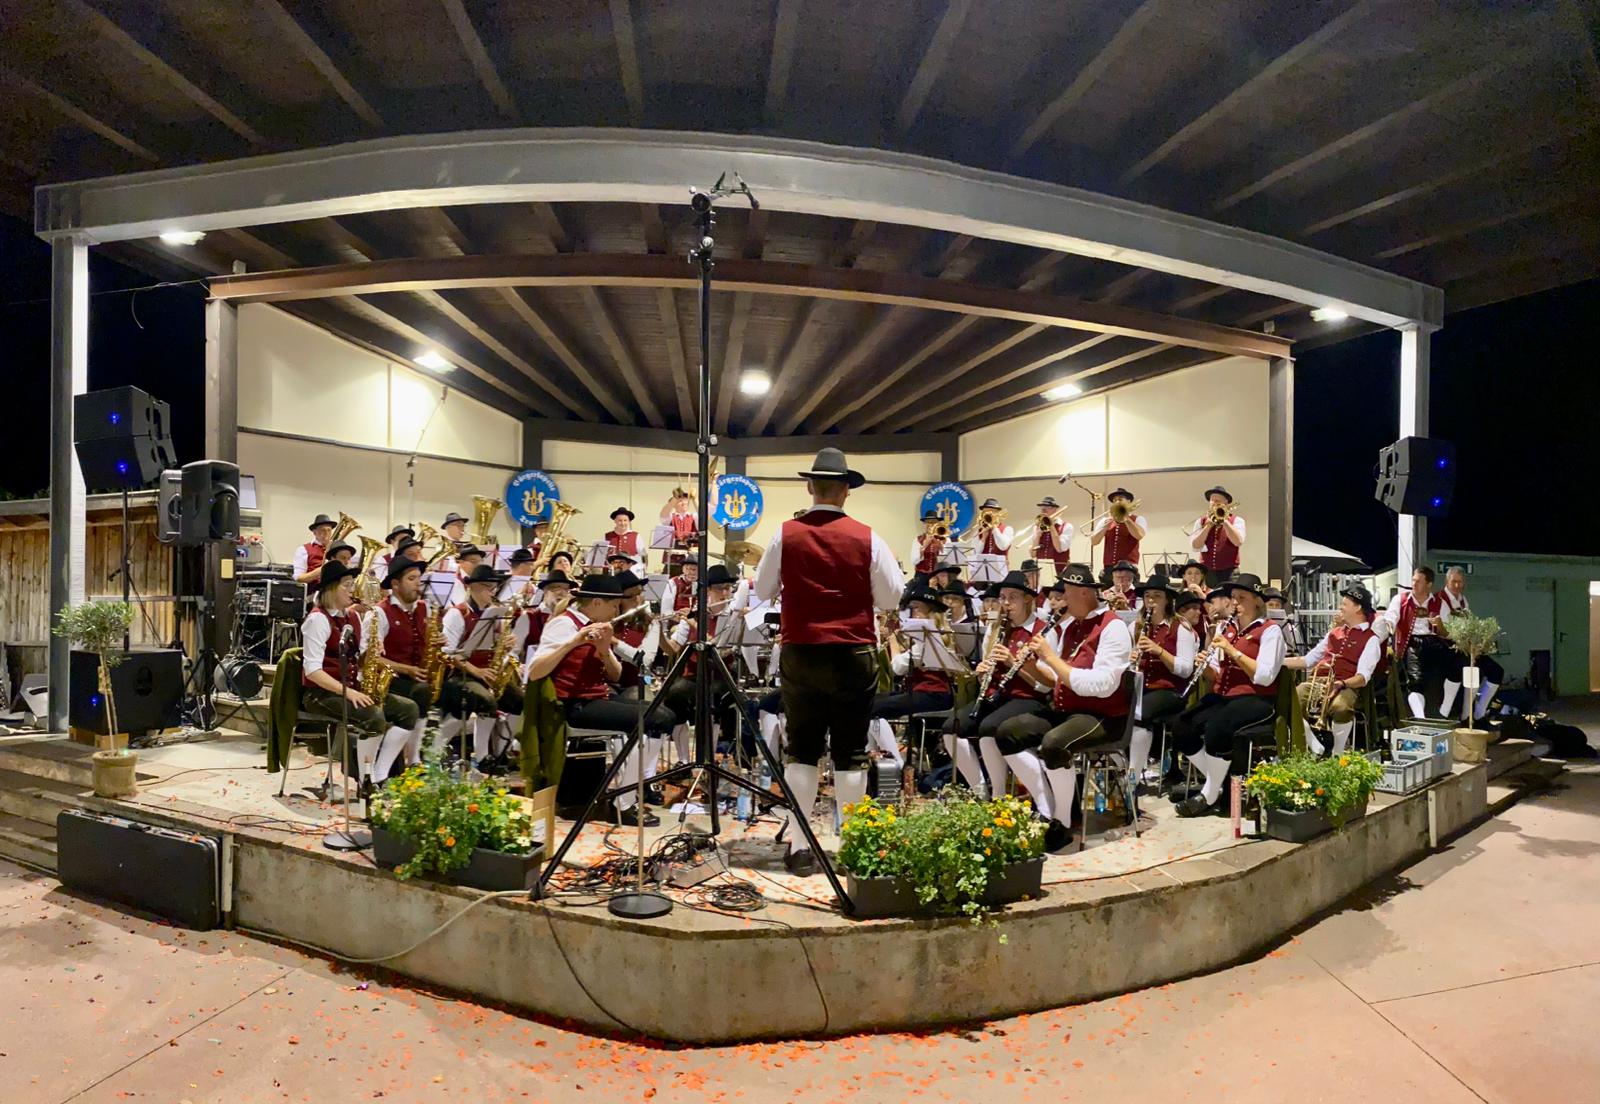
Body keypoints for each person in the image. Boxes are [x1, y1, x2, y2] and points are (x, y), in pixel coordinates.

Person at [753, 448, 904, 875]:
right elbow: (892, 597)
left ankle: (801, 847)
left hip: (802, 650)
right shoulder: (868, 536)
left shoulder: (785, 533)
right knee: (851, 752)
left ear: (809, 487)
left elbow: (763, 590)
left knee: (801, 750)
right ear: (845, 491)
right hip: (853, 650)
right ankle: (853, 847)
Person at [993, 563, 1132, 851]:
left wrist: (1051, 657)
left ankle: (1063, 821)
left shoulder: (1113, 627)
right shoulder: (1071, 626)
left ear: (1084, 593)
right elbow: (1053, 680)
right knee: (1008, 732)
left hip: (1103, 715)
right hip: (1067, 708)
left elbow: (1101, 685)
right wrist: (1030, 663)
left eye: (1066, 592)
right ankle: (1048, 807)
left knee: (1053, 745)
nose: (1063, 600)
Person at [527, 573, 680, 827]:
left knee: (662, 716)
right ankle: (624, 802)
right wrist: (573, 642)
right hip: (573, 705)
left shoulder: (599, 625)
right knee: (656, 719)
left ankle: (625, 793)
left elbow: (616, 674)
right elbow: (535, 671)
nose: (616, 611)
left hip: (598, 697)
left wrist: (604, 649)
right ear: (597, 603)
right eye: (613, 605)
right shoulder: (564, 624)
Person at [298, 560, 420, 799]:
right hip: (320, 694)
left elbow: (359, 660)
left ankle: (379, 773)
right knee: (373, 716)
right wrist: (349, 692)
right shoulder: (317, 620)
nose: (352, 589)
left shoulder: (352, 618)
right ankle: (366, 779)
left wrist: (372, 653)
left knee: (409, 710)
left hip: (350, 687)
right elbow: (312, 670)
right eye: (347, 584)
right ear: (331, 588)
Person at [1171, 574, 1285, 817]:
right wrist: (1204, 666)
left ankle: (1210, 794)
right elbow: (1215, 675)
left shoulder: (1269, 631)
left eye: (1241, 598)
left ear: (1257, 601)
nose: (1236, 603)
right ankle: (1219, 783)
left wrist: (1233, 651)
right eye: (1233, 598)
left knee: (1216, 728)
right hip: (1224, 695)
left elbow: (1264, 676)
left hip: (1256, 698)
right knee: (1181, 725)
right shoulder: (1227, 628)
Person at [942, 570, 1052, 802]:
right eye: (1002, 597)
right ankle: (980, 788)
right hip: (996, 695)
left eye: (1012, 597)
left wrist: (1014, 663)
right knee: (952, 727)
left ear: (1027, 599)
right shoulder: (996, 629)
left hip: (1028, 697)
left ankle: (1000, 795)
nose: (1006, 603)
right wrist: (982, 672)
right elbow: (987, 672)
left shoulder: (1042, 630)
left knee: (988, 728)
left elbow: (1045, 685)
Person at [440, 563, 524, 775]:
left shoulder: (494, 614)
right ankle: (478, 754)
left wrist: (505, 646)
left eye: (494, 587)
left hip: (487, 672)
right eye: (488, 587)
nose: (492, 592)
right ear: (473, 587)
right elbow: (448, 652)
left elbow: (495, 649)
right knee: (486, 700)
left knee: (519, 700)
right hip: (460, 674)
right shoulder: (457, 614)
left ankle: (496, 753)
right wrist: (477, 672)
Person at [1284, 584, 1381, 756]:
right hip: (1320, 681)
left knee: (1341, 707)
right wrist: (1278, 662)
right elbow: (1308, 660)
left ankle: (1337, 753)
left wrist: (1341, 683)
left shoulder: (1371, 639)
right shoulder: (1333, 633)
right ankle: (1314, 743)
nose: (1340, 607)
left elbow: (1362, 677)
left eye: (1344, 604)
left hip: (1346, 685)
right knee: (1290, 700)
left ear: (1358, 607)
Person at [869, 589, 958, 770]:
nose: (910, 613)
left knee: (873, 708)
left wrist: (893, 641)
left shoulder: (930, 639)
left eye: (915, 608)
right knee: (868, 702)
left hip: (935, 694)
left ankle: (896, 762)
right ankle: (872, 759)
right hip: (920, 691)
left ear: (929, 613)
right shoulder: (922, 637)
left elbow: (897, 668)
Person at [1128, 575, 1198, 783]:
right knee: (1116, 711)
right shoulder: (1136, 627)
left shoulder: (1180, 628)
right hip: (1141, 687)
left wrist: (1159, 651)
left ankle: (1133, 778)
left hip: (1170, 691)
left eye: (1156, 596)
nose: (1150, 601)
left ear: (1167, 600)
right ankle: (1129, 770)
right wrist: (1130, 659)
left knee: (1138, 714)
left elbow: (1185, 669)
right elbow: (1124, 663)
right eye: (1147, 596)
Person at [367, 558, 433, 779]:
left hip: (416, 677)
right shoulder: (379, 612)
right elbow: (370, 658)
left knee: (426, 690)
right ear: (395, 584)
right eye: (411, 579)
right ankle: (404, 762)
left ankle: (414, 758)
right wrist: (405, 669)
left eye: (419, 579)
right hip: (388, 680)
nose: (418, 584)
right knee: (420, 694)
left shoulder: (424, 608)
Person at [1378, 566, 1460, 719]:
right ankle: (1420, 718)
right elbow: (1390, 618)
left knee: (1456, 667)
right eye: (1413, 581)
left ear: (1429, 584)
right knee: (1416, 681)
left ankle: (1444, 712)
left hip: (1434, 641)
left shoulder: (1439, 603)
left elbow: (1449, 633)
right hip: (1411, 643)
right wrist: (1388, 625)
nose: (1414, 584)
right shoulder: (1400, 600)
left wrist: (1440, 626)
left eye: (1418, 582)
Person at [1439, 566, 1502, 722]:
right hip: (1448, 648)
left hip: (1466, 648)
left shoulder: (1463, 600)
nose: (1457, 585)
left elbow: (1469, 624)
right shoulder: (1440, 600)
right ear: (1447, 581)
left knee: (1496, 671)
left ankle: (1479, 712)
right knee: (1472, 671)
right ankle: (1462, 716)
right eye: (1454, 582)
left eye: (1460, 582)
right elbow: (1445, 630)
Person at [1189, 486, 1245, 579]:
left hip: (1230, 571)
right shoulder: (1201, 521)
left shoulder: (1237, 520)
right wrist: (1207, 527)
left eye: (1218, 501)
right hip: (1207, 570)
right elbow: (1196, 546)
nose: (1214, 503)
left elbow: (1237, 542)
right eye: (1212, 500)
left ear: (1226, 503)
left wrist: (1225, 521)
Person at [1088, 488, 1146, 570]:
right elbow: (1094, 542)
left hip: (1129, 566)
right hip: (1109, 567)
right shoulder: (1105, 520)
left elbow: (1139, 535)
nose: (1117, 502)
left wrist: (1126, 519)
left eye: (1120, 499)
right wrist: (1104, 528)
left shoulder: (1138, 519)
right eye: (1114, 500)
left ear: (1129, 501)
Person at [1021, 496, 1073, 578]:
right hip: (1041, 570)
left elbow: (1059, 548)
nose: (1043, 510)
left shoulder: (1067, 526)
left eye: (1047, 507)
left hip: (1060, 571)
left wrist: (1051, 526)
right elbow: (1033, 554)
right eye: (1042, 507)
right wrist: (1038, 536)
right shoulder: (1037, 527)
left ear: (1055, 509)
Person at [293, 514, 337, 585]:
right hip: (313, 593)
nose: (326, 533)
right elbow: (298, 578)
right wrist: (321, 570)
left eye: (329, 530)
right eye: (323, 530)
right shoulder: (303, 550)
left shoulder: (336, 549)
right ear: (314, 532)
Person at [974, 498, 1014, 565]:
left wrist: (995, 529)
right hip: (982, 569)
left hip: (1001, 571)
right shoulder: (978, 532)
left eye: (991, 512)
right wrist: (983, 538)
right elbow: (975, 554)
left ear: (997, 514)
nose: (988, 515)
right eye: (985, 512)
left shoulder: (1007, 529)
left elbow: (1003, 546)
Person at [909, 510, 947, 580]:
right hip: (922, 577)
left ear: (937, 524)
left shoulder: (943, 540)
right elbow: (913, 561)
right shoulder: (917, 540)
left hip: (940, 577)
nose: (931, 525)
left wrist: (941, 547)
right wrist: (924, 546)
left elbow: (948, 560)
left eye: (933, 522)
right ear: (924, 524)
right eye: (928, 522)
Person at [604, 506, 643, 572]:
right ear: (615, 521)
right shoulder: (607, 536)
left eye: (625, 520)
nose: (622, 523)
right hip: (610, 573)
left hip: (630, 573)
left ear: (629, 521)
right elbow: (601, 556)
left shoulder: (636, 536)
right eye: (620, 520)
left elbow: (643, 556)